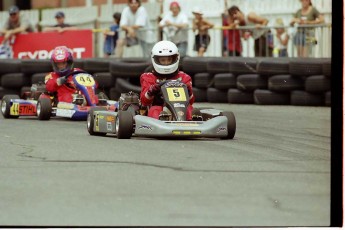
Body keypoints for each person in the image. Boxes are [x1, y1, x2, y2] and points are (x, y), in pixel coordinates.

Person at [140, 40, 195, 120]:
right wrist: (151, 91)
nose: (166, 63)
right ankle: (160, 124)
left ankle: (193, 123)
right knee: (155, 110)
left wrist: (189, 92)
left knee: (190, 109)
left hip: (180, 109)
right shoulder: (148, 77)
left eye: (169, 60)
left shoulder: (184, 77)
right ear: (155, 59)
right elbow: (144, 102)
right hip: (158, 107)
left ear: (176, 58)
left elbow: (191, 102)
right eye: (163, 60)